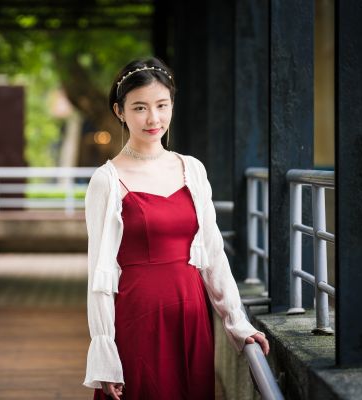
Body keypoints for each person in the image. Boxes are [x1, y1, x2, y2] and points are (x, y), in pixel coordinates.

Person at [83, 57, 269, 400]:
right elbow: (100, 274)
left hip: (192, 312)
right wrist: (105, 356)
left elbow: (213, 255)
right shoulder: (106, 181)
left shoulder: (192, 170)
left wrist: (237, 323)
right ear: (120, 111)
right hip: (138, 316)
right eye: (140, 107)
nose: (153, 118)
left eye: (161, 105)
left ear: (172, 105)